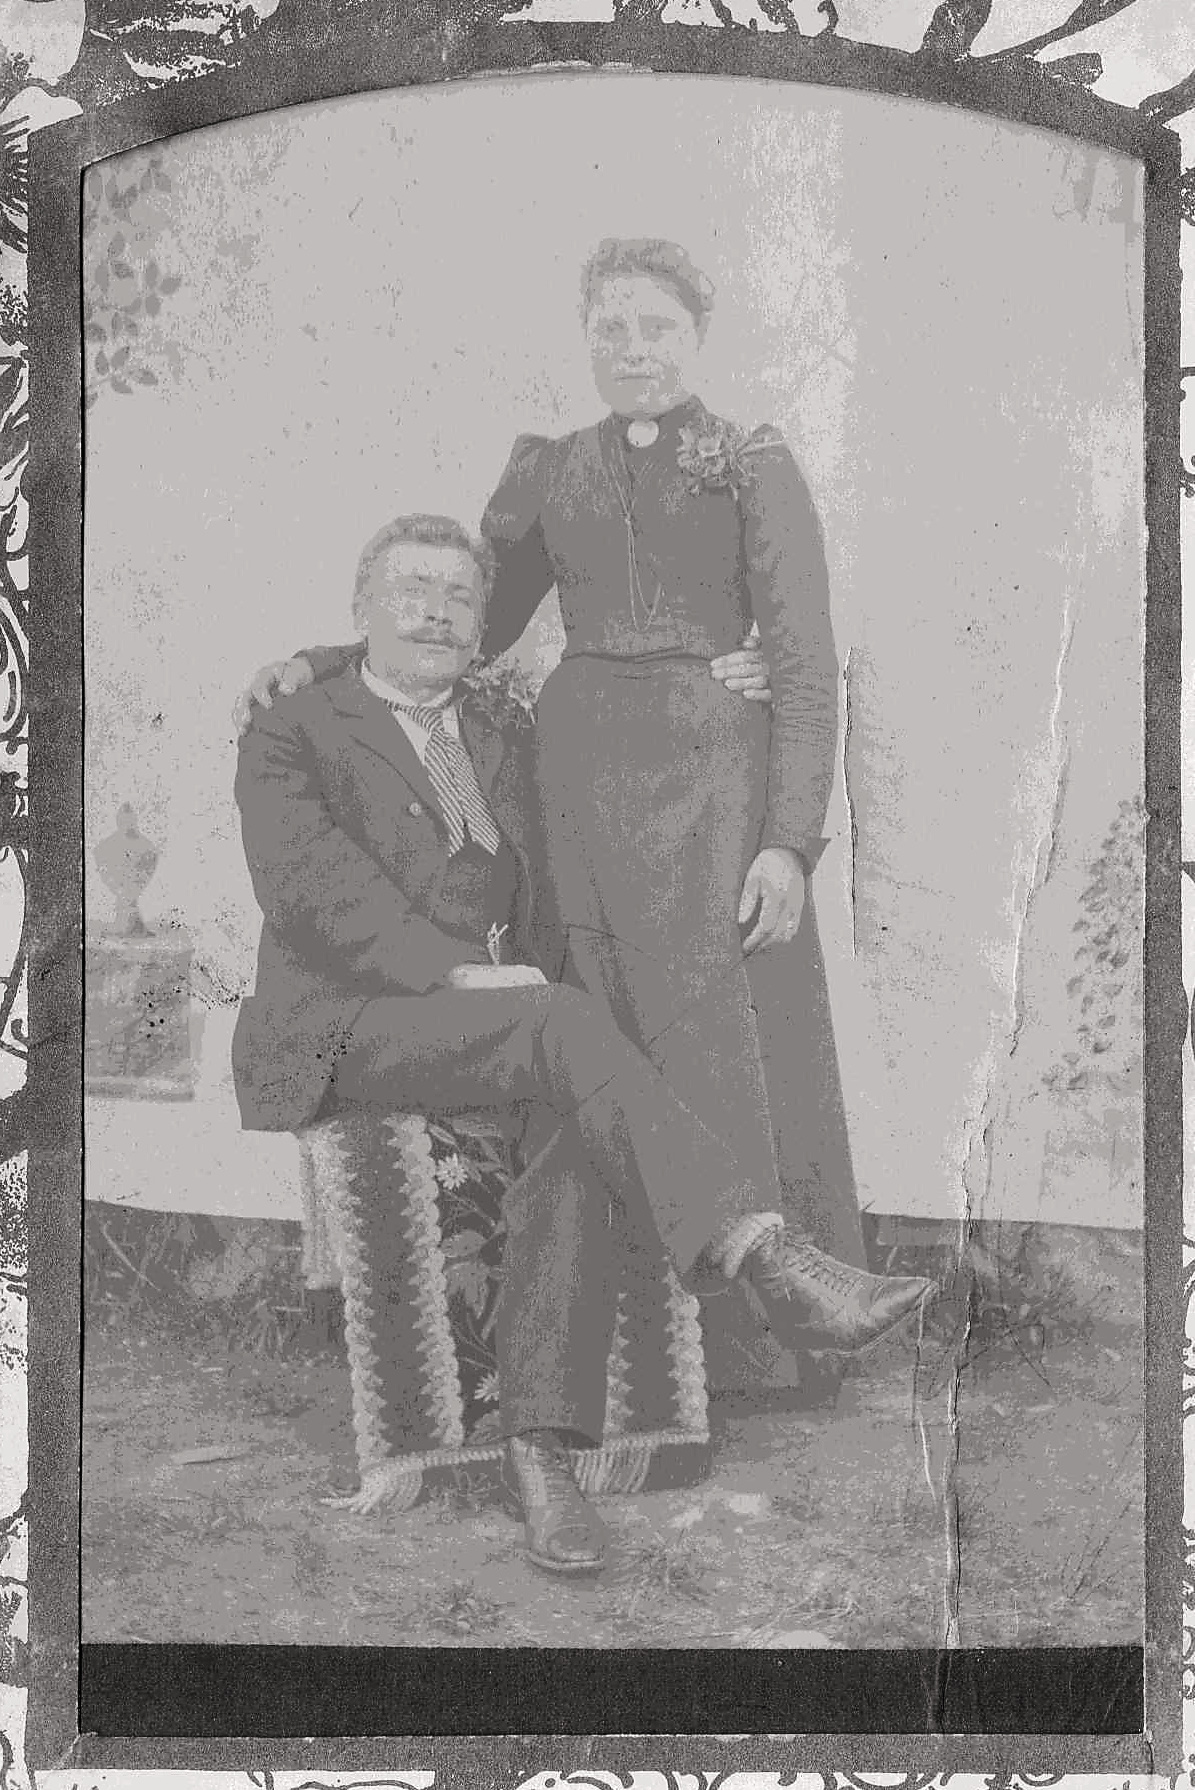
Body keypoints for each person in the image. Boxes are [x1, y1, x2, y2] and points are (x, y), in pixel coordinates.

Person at [235, 236, 913, 1379]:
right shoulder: (549, 469)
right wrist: (320, 661)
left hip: (716, 790)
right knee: (601, 1026)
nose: (633, 349)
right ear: (586, 337)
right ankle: (640, 1361)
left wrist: (790, 843)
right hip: (579, 789)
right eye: (611, 328)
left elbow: (803, 667)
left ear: (697, 337)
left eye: (657, 327)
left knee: (718, 1036)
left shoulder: (754, 460)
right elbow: (460, 621)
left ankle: (755, 1352)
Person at [232, 513, 934, 1575]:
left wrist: (737, 676)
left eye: (459, 597)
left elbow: (618, 776)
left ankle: (542, 1457)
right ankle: (761, 1253)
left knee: (571, 1120)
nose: (434, 613)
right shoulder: (294, 724)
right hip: (346, 1024)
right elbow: (314, 893)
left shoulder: (503, 729)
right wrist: (460, 974)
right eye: (409, 591)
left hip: (493, 1028)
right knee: (558, 1022)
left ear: (484, 628)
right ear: (359, 608)